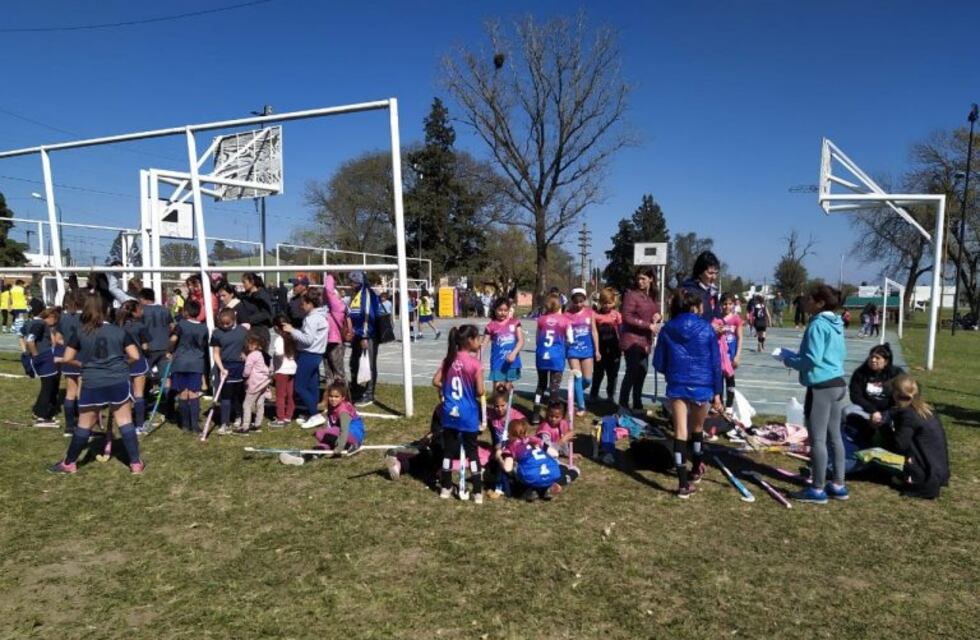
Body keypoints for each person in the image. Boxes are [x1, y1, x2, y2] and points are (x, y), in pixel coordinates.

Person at [49, 294, 144, 474]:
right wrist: (122, 364)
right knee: (125, 421)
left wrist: (83, 364)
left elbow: (68, 358)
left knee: (85, 423)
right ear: (107, 310)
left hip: (92, 381)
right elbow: (135, 356)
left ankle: (69, 463)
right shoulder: (120, 331)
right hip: (118, 380)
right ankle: (135, 463)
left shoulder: (81, 332)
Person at [781, 285, 849, 504]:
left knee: (818, 438)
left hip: (822, 387)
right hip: (838, 383)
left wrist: (789, 360)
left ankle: (817, 488)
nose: (806, 302)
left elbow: (812, 359)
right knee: (835, 436)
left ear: (820, 303)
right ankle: (838, 484)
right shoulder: (837, 323)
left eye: (810, 299)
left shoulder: (818, 324)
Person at [653, 290, 724, 498]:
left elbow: (658, 362)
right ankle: (697, 467)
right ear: (695, 306)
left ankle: (683, 483)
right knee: (698, 428)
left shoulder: (667, 329)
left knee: (680, 431)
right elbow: (716, 364)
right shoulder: (707, 329)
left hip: (677, 384)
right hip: (703, 384)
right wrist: (717, 394)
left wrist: (671, 371)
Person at [432, 325, 485, 503]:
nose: (479, 342)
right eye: (477, 338)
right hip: (468, 413)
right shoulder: (475, 364)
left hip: (450, 412)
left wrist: (448, 389)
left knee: (449, 450)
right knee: (472, 452)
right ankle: (478, 492)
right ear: (469, 340)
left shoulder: (448, 361)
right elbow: (480, 391)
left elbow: (435, 381)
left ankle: (446, 488)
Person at [881, 375, 950, 499]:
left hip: (924, 476)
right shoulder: (926, 410)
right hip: (938, 468)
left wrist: (882, 426)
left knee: (874, 456)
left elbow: (898, 446)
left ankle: (908, 476)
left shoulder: (908, 415)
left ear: (896, 394)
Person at [279, 381, 367, 465]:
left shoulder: (343, 411)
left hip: (353, 435)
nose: (333, 399)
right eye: (331, 396)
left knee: (320, 433)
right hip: (344, 434)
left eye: (336, 397)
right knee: (325, 442)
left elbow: (344, 430)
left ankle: (351, 446)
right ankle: (306, 457)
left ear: (343, 398)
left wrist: (340, 447)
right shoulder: (334, 406)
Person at [501, 418, 579, 501]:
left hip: (531, 476)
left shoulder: (512, 446)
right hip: (551, 472)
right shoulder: (535, 440)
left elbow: (507, 468)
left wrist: (499, 456)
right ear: (526, 432)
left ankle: (531, 490)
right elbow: (555, 453)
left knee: (516, 468)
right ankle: (546, 488)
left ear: (510, 435)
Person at [618, 267, 662, 414]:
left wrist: (658, 316)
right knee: (632, 371)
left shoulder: (652, 296)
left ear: (651, 279)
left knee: (642, 372)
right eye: (638, 278)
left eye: (643, 278)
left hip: (646, 341)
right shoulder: (631, 295)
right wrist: (647, 325)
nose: (640, 281)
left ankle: (637, 404)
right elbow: (627, 317)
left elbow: (656, 311)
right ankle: (623, 405)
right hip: (632, 340)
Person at [281, 290, 328, 427]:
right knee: (312, 386)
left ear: (310, 304)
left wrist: (292, 330)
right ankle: (312, 412)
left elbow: (307, 340)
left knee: (300, 386)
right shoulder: (321, 315)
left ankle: (315, 414)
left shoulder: (311, 318)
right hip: (316, 354)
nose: (301, 306)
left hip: (308, 354)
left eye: (303, 304)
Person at [844, 343, 904, 444]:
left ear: (886, 361)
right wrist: (873, 411)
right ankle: (858, 437)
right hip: (867, 410)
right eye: (871, 357)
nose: (873, 360)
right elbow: (855, 396)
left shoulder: (896, 374)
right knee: (847, 411)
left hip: (889, 411)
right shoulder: (860, 373)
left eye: (877, 358)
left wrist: (888, 412)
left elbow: (907, 390)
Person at [169, 299, 208, 433]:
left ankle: (185, 424)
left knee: (183, 393)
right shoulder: (204, 327)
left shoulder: (181, 324)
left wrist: (169, 351)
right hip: (196, 362)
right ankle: (195, 425)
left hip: (180, 362)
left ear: (185, 311)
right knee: (194, 394)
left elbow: (173, 339)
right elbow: (203, 344)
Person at [532, 293, 571, 424]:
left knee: (541, 385)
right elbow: (570, 339)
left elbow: (538, 339)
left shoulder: (541, 319)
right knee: (554, 387)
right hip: (556, 357)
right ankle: (552, 415)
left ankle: (535, 414)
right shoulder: (565, 320)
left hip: (542, 355)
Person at [210, 308, 248, 435]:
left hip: (241, 367)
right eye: (223, 324)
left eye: (228, 323)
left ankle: (239, 416)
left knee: (238, 395)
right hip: (225, 367)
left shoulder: (243, 331)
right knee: (226, 396)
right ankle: (224, 423)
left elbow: (249, 346)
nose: (225, 326)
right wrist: (221, 368)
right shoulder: (217, 333)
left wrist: (245, 352)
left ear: (234, 320)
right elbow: (216, 353)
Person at [348, 271, 382, 406]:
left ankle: (369, 394)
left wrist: (364, 336)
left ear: (359, 282)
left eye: (352, 281)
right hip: (357, 335)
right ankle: (357, 389)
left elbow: (368, 316)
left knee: (369, 364)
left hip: (368, 336)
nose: (350, 284)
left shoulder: (367, 294)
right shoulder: (356, 295)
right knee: (354, 363)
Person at [116, 300, 151, 434]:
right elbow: (145, 346)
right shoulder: (140, 326)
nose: (142, 312)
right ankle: (140, 424)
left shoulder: (117, 326)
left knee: (127, 394)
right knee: (139, 394)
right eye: (140, 309)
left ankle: (127, 421)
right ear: (134, 312)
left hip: (122, 361)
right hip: (137, 361)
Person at [565, 287, 600, 416]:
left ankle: (576, 391)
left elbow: (594, 331)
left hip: (587, 350)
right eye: (576, 301)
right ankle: (581, 406)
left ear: (585, 300)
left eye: (581, 301)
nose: (579, 304)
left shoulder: (590, 313)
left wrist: (597, 350)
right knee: (578, 377)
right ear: (572, 301)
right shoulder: (567, 314)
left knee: (587, 379)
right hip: (573, 350)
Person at [26, 307, 62, 428]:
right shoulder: (40, 324)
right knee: (47, 387)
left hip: (44, 357)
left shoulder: (34, 322)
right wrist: (36, 356)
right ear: (50, 317)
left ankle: (37, 411)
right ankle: (41, 417)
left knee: (47, 387)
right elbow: (30, 340)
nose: (55, 324)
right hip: (44, 358)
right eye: (55, 320)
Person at [482, 297, 524, 393]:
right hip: (497, 363)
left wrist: (514, 353)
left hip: (512, 362)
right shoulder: (490, 326)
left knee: (507, 388)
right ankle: (497, 407)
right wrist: (478, 358)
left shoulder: (515, 323)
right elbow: (483, 344)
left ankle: (506, 407)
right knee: (498, 390)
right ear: (495, 310)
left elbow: (521, 341)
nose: (503, 313)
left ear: (509, 310)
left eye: (505, 310)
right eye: (500, 310)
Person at [57, 290, 84, 436]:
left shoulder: (63, 318)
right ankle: (81, 423)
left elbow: (58, 339)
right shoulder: (85, 317)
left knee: (70, 392)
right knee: (81, 392)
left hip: (68, 357)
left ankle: (69, 426)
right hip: (81, 357)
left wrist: (68, 345)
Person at [591, 287, 623, 404]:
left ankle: (610, 396)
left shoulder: (617, 315)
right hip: (601, 348)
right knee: (598, 373)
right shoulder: (595, 315)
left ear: (614, 302)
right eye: (604, 303)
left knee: (612, 374)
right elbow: (594, 332)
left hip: (614, 349)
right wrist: (597, 350)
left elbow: (621, 331)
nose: (607, 305)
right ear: (600, 302)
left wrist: (622, 346)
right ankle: (594, 394)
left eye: (609, 303)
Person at [137, 288, 175, 383]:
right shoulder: (165, 309)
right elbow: (172, 326)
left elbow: (138, 329)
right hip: (164, 346)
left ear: (142, 298)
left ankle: (145, 394)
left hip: (149, 348)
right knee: (165, 375)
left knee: (144, 373)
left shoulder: (142, 311)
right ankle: (166, 395)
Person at [715, 293, 743, 409]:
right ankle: (719, 405)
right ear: (721, 304)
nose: (727, 306)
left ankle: (730, 406)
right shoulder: (716, 319)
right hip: (719, 357)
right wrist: (716, 330)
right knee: (718, 382)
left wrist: (737, 355)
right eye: (725, 303)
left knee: (730, 381)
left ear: (733, 305)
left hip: (731, 356)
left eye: (730, 304)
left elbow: (740, 337)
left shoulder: (736, 319)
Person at [679, 251, 722, 323]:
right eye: (710, 273)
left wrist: (720, 323)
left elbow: (716, 315)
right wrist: (709, 327)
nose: (714, 277)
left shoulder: (712, 292)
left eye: (716, 273)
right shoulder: (688, 292)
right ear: (700, 273)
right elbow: (686, 322)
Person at [241, 334, 271, 434]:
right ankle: (257, 424)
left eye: (252, 344)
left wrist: (244, 375)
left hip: (255, 383)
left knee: (247, 404)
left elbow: (247, 370)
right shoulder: (259, 354)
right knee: (260, 403)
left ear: (256, 345)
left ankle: (245, 426)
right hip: (263, 382)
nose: (249, 345)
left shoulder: (251, 355)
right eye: (249, 343)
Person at [321, 273, 348, 385]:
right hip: (326, 340)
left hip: (336, 341)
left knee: (338, 372)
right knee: (328, 372)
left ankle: (343, 397)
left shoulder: (338, 306)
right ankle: (330, 396)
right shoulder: (325, 308)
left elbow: (328, 289)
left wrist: (330, 276)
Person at [270, 324, 297, 426]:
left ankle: (280, 418)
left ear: (277, 328)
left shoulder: (279, 339)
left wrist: (278, 359)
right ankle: (288, 416)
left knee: (280, 395)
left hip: (282, 369)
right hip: (292, 368)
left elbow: (279, 352)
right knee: (290, 394)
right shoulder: (292, 337)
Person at [241, 272, 275, 351]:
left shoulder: (262, 295)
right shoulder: (246, 296)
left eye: (244, 282)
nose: (243, 285)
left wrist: (248, 320)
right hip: (249, 332)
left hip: (260, 332)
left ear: (252, 282)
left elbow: (266, 313)